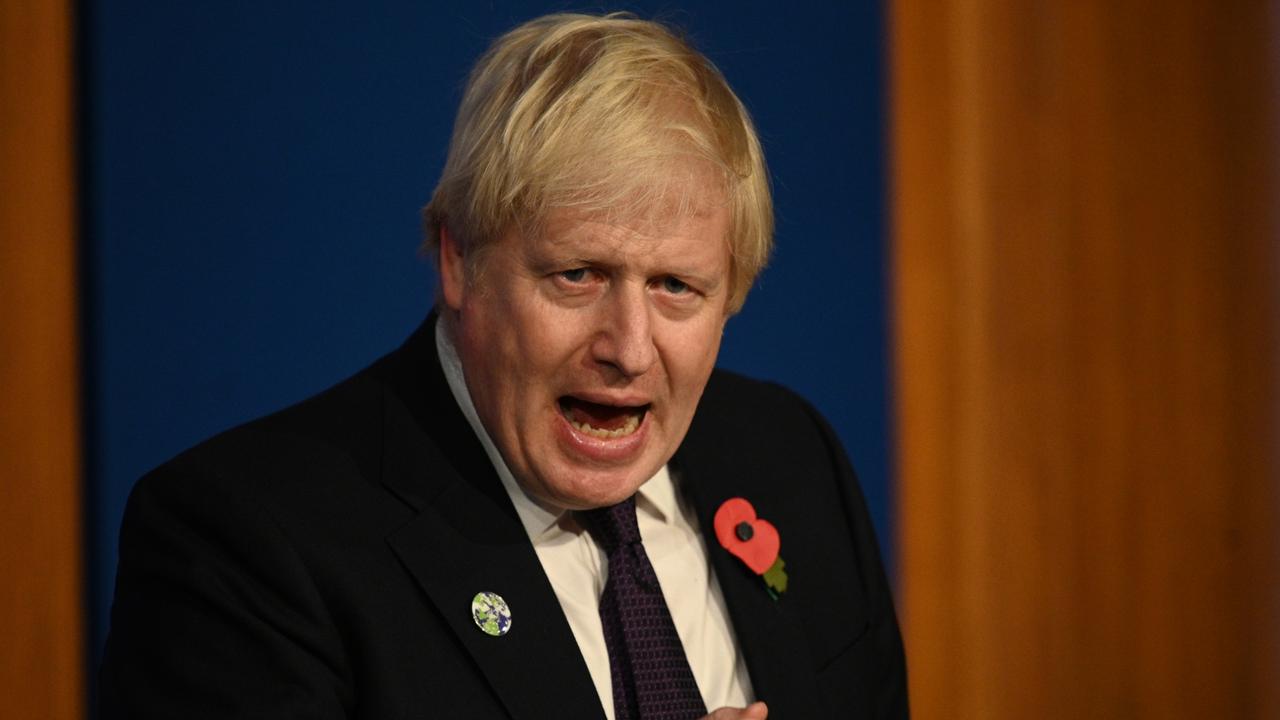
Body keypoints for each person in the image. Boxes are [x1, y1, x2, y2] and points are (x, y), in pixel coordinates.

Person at [99, 12, 907, 720]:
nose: (627, 349)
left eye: (675, 287)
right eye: (577, 275)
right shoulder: (244, 546)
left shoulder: (793, 460)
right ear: (459, 259)